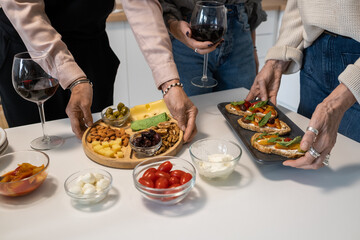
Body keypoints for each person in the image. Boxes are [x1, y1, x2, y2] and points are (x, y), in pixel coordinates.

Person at [0, 0, 197, 142]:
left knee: (97, 139)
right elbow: (24, 11)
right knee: (40, 143)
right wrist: (74, 78)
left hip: (90, 44)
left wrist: (169, 82)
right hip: (28, 51)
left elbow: (141, 4)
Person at [246, 0, 360, 169]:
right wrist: (277, 60)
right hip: (313, 51)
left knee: (346, 173)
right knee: (304, 162)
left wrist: (349, 88)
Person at [160, 0, 266, 96]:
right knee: (190, 112)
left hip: (240, 31)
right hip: (186, 31)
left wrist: (253, 48)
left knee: (244, 110)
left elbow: (253, 4)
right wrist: (173, 26)